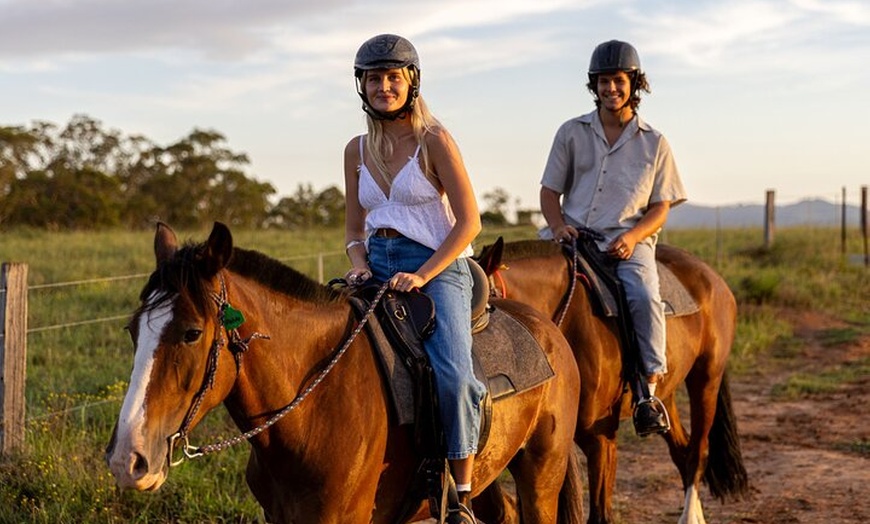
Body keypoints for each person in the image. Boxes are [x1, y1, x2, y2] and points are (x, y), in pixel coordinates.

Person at [343, 33, 485, 521]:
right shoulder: (355, 150)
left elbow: (469, 223)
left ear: (412, 82)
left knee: (455, 375)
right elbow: (353, 229)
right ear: (361, 85)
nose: (383, 87)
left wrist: (423, 275)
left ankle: (461, 494)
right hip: (376, 263)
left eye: (393, 77)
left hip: (437, 263)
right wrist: (359, 264)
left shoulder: (434, 141)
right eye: (374, 78)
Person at [539, 39, 687, 436]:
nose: (611, 89)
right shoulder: (571, 132)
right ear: (594, 85)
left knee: (643, 294)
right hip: (572, 234)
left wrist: (634, 236)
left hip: (626, 240)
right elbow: (550, 192)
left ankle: (648, 393)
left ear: (634, 83)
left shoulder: (654, 142)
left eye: (618, 81)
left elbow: (661, 207)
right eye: (603, 81)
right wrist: (558, 226)